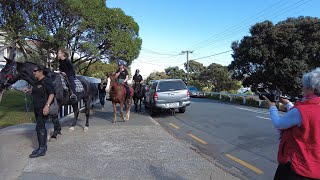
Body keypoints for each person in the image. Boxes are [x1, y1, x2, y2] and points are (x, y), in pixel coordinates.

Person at [264, 68, 320, 180]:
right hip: (315, 168)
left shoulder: (302, 110)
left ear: (311, 88)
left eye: (303, 85)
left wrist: (272, 107)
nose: (302, 88)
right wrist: (289, 104)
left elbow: (279, 123)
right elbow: (304, 118)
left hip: (296, 168)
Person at [23, 65, 55, 158]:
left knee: (40, 127)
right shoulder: (37, 82)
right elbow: (36, 91)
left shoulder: (46, 81)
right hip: (36, 108)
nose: (33, 72)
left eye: (35, 71)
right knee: (39, 127)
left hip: (43, 108)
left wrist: (47, 106)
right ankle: (42, 147)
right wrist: (28, 90)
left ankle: (42, 149)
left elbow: (52, 94)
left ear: (40, 71)